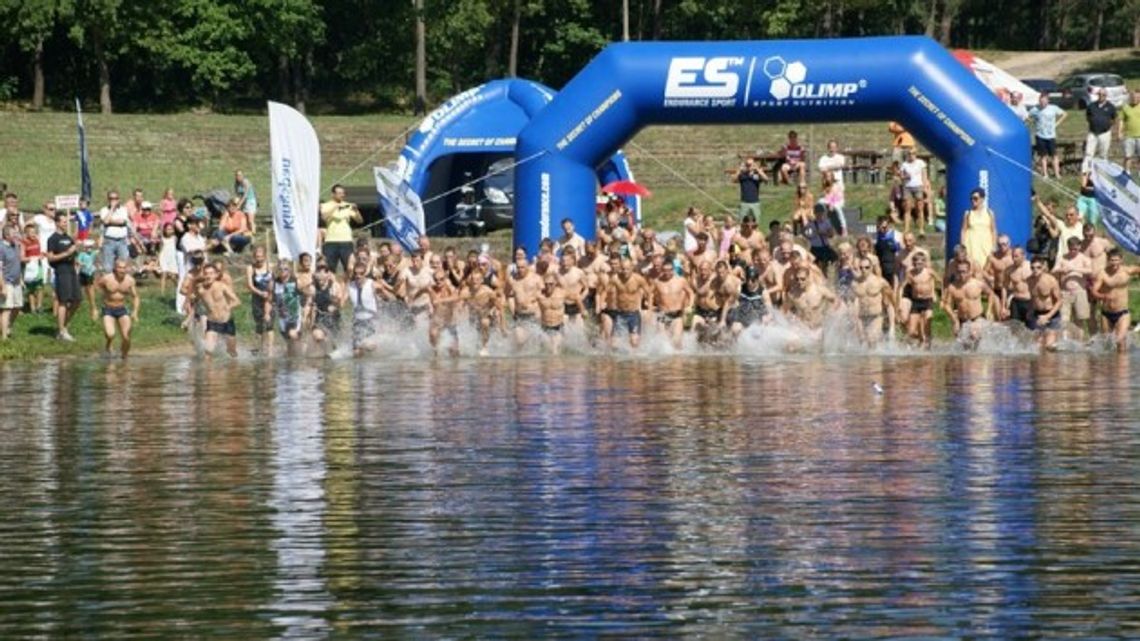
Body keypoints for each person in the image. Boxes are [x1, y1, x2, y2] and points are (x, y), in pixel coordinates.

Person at [44, 211, 82, 342]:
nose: (66, 224)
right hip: (61, 271)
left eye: (67, 221)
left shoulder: (69, 237)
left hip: (72, 270)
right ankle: (61, 331)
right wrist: (66, 253)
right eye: (64, 221)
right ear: (57, 223)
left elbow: (72, 253)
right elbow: (50, 258)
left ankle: (64, 325)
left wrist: (76, 259)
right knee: (63, 301)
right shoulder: (52, 239)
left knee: (77, 300)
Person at [1091, 248, 1138, 352]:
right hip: (1106, 314)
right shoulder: (1103, 273)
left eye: (1117, 260)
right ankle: (1111, 367)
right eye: (1112, 260)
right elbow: (1094, 291)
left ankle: (1121, 366)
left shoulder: (1128, 270)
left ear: (1121, 260)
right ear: (1108, 260)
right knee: (1107, 345)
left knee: (1120, 341)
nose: (1114, 263)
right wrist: (1102, 296)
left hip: (1123, 313)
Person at [942, 259, 994, 349]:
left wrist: (989, 310)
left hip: (977, 318)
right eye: (959, 272)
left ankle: (978, 356)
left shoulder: (978, 284)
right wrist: (954, 319)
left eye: (964, 272)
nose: (962, 274)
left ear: (969, 271)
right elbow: (946, 305)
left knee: (974, 334)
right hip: (962, 319)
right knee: (963, 345)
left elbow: (990, 294)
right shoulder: (952, 287)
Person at [196, 263, 241, 359]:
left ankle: (233, 370)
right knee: (208, 352)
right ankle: (208, 372)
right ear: (203, 275)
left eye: (211, 273)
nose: (208, 276)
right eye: (206, 273)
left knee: (231, 351)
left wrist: (229, 307)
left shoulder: (222, 286)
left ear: (216, 275)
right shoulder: (200, 290)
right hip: (212, 322)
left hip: (226, 322)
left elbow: (237, 301)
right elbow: (194, 302)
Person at [1052, 237, 1094, 340]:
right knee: (1064, 319)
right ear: (1068, 247)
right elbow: (1053, 270)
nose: (1073, 251)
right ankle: (1065, 341)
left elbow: (1090, 271)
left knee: (1079, 319)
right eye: (1071, 249)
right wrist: (1062, 270)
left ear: (1079, 247)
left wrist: (1074, 269)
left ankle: (1079, 341)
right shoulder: (1062, 258)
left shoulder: (1084, 258)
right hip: (1065, 292)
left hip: (1080, 291)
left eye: (1075, 249)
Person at [97, 259, 140, 358]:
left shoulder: (130, 280)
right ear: (115, 268)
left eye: (124, 268)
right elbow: (97, 287)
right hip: (108, 309)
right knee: (110, 334)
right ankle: (108, 344)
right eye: (120, 267)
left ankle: (124, 357)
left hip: (122, 309)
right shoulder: (107, 279)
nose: (122, 270)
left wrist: (135, 311)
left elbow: (136, 296)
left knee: (126, 337)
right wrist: (96, 305)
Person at [320, 184, 363, 276]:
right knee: (329, 268)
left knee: (349, 268)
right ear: (333, 194)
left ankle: (348, 287)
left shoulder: (348, 205)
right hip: (331, 241)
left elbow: (359, 221)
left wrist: (356, 211)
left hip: (346, 241)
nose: (342, 195)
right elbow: (324, 217)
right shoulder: (325, 205)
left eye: (343, 193)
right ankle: (332, 288)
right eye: (339, 193)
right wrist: (336, 207)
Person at [852, 257, 895, 347]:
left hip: (876, 316)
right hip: (861, 317)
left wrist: (892, 324)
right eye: (861, 268)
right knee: (862, 342)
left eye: (866, 267)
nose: (863, 270)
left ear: (871, 267)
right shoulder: (855, 283)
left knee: (872, 340)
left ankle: (876, 359)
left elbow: (891, 301)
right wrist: (854, 320)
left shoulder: (881, 282)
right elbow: (854, 303)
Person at [652, 256, 693, 349]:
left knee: (676, 342)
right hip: (662, 315)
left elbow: (691, 293)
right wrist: (650, 309)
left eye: (669, 270)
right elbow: (650, 294)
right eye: (665, 270)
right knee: (662, 343)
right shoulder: (657, 282)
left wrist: (689, 306)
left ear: (673, 269)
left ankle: (680, 360)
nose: (667, 272)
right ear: (662, 270)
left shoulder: (681, 280)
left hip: (676, 315)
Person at [1026, 256, 1063, 350]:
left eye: (1038, 267)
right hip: (1037, 314)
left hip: (1051, 314)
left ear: (1043, 268)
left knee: (1049, 346)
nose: (1035, 270)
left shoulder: (1051, 280)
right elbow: (1033, 297)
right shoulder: (1029, 280)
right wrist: (1030, 311)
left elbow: (1059, 301)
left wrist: (1048, 316)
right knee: (1037, 346)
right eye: (1032, 268)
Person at [903, 252, 938, 348]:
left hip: (927, 300)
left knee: (927, 322)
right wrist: (899, 299)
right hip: (916, 301)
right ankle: (913, 343)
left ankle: (928, 345)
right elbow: (903, 286)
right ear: (913, 263)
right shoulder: (910, 273)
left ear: (924, 263)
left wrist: (937, 293)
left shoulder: (929, 272)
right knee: (911, 330)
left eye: (920, 263)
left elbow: (940, 281)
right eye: (915, 263)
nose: (917, 266)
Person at [1028, 93, 1067, 178]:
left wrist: (1057, 123)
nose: (1042, 103)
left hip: (1051, 136)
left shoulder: (1053, 108)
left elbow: (1064, 114)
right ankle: (1045, 174)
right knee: (1043, 156)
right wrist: (1034, 122)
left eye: (1044, 101)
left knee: (1054, 155)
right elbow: (1028, 116)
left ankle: (1057, 173)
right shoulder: (1035, 109)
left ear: (1048, 101)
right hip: (1040, 135)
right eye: (1041, 101)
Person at [309, 263, 344, 354]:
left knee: (333, 344)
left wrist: (334, 302)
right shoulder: (313, 288)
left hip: (333, 318)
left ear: (328, 275)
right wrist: (309, 320)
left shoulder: (334, 286)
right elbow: (310, 305)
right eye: (318, 273)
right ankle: (322, 355)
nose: (320, 275)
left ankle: (329, 354)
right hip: (319, 318)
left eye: (323, 273)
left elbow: (340, 303)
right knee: (318, 336)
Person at [961, 187, 997, 273]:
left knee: (987, 269)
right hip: (971, 245)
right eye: (971, 198)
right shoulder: (968, 213)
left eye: (975, 198)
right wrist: (963, 246)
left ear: (982, 199)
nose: (973, 200)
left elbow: (993, 230)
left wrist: (994, 245)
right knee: (972, 268)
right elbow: (963, 230)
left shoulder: (989, 213)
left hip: (986, 244)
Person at [246, 246, 274, 355]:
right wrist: (260, 293)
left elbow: (273, 281)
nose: (259, 259)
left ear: (265, 256)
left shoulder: (269, 266)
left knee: (269, 324)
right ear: (254, 256)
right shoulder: (250, 268)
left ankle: (270, 352)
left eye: (261, 256)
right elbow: (249, 285)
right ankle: (259, 348)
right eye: (257, 257)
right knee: (259, 325)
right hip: (257, 298)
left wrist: (269, 292)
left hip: (269, 298)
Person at [99, 190, 132, 271]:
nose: (113, 200)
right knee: (108, 266)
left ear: (119, 199)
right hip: (109, 241)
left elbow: (122, 221)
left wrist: (110, 221)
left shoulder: (123, 209)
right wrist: (112, 209)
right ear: (108, 199)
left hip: (122, 241)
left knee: (123, 264)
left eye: (115, 198)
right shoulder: (104, 210)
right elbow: (106, 221)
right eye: (111, 198)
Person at [0, 224, 24, 339]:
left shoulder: (15, 245)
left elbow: (17, 263)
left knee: (18, 306)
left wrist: (21, 279)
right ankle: (4, 336)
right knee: (7, 308)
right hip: (6, 281)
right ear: (6, 235)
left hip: (17, 281)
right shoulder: (1, 248)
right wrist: (2, 286)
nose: (16, 235)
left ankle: (8, 326)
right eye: (14, 234)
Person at [899, 148, 930, 235]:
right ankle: (906, 229)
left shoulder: (920, 163)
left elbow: (924, 176)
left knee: (920, 208)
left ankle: (921, 229)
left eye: (913, 153)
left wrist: (925, 188)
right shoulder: (904, 164)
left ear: (916, 154)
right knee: (907, 208)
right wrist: (905, 176)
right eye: (909, 153)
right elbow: (901, 177)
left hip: (918, 186)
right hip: (907, 187)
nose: (911, 155)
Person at [535, 275, 567, 355]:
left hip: (558, 326)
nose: (548, 286)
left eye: (551, 284)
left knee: (554, 350)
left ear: (555, 283)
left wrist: (582, 310)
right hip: (544, 326)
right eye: (546, 284)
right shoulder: (539, 294)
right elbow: (530, 301)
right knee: (545, 351)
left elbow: (576, 297)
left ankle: (556, 366)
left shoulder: (562, 293)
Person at [1003, 246, 1033, 328]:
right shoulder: (1009, 270)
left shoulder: (1032, 268)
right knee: (1015, 328)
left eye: (1016, 256)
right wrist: (1003, 306)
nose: (1014, 259)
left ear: (1023, 256)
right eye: (1012, 256)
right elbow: (1004, 287)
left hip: (1029, 301)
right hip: (1016, 302)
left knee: (1031, 328)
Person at [1084, 87, 1117, 162]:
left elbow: (1114, 119)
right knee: (1088, 153)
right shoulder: (1091, 106)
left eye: (1103, 95)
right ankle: (1086, 172)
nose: (1101, 96)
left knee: (1103, 154)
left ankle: (1101, 172)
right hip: (1092, 133)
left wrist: (1108, 125)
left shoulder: (1111, 107)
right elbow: (1087, 117)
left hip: (1105, 133)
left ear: (1106, 96)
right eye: (1099, 94)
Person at [77, 239, 99, 321]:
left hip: (90, 273)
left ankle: (93, 306)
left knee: (90, 287)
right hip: (83, 273)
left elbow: (98, 250)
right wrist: (80, 263)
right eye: (87, 247)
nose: (89, 249)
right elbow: (78, 261)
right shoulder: (82, 254)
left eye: (90, 247)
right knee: (81, 288)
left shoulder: (93, 253)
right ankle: (78, 303)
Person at [1121, 89, 1140, 176]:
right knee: (1128, 155)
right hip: (1129, 136)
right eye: (1134, 97)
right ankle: (1127, 172)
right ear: (1131, 97)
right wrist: (1119, 132)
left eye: (1137, 97)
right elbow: (1121, 120)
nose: (1135, 98)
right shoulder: (1126, 107)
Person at [158, 223, 179, 293]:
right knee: (164, 274)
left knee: (173, 276)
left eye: (171, 229)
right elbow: (160, 249)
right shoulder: (162, 239)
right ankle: (162, 292)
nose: (169, 231)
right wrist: (157, 259)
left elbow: (176, 248)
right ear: (164, 230)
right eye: (168, 229)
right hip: (164, 257)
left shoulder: (175, 238)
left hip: (172, 257)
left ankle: (178, 287)